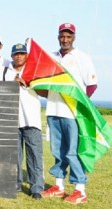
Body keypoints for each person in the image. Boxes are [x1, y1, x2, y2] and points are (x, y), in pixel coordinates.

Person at [40, 23, 97, 204]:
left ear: (74, 37)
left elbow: (92, 84)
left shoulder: (82, 58)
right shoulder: (51, 57)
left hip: (72, 114)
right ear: (58, 37)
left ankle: (80, 190)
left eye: (68, 36)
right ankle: (59, 186)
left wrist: (80, 106)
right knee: (57, 150)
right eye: (62, 36)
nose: (65, 39)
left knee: (73, 152)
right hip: (53, 110)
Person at [3, 43, 44, 200]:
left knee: (34, 155)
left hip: (31, 119)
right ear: (12, 56)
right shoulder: (6, 71)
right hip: (13, 119)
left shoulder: (34, 70)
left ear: (27, 55)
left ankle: (36, 188)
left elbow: (45, 92)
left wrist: (27, 84)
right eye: (16, 54)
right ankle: (15, 184)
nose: (18, 56)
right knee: (14, 155)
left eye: (22, 53)